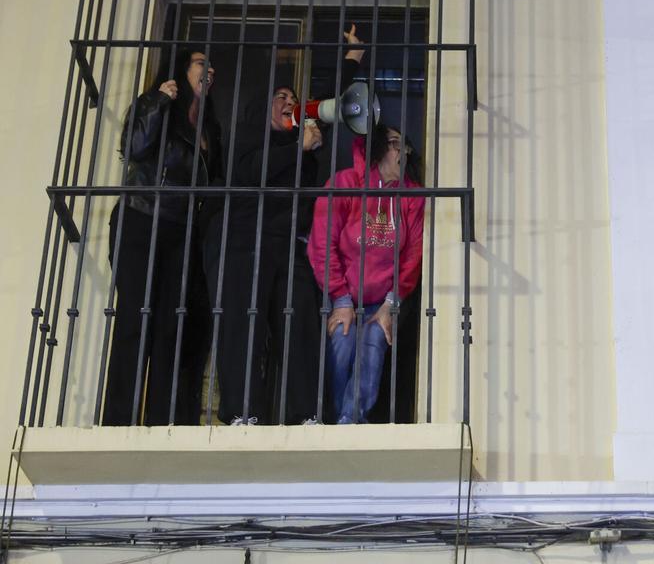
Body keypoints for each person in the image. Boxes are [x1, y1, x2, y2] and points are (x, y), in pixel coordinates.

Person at [204, 26, 364, 426]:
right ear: (263, 107)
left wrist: (352, 60)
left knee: (298, 320)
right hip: (241, 240)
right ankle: (242, 412)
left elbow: (329, 104)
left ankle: (304, 414)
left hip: (287, 243)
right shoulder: (246, 136)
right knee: (243, 322)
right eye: (282, 98)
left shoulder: (302, 138)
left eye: (294, 100)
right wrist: (297, 149)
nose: (291, 104)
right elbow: (250, 172)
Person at [105, 48, 221, 426]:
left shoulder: (207, 126)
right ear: (181, 71)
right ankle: (118, 422)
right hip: (142, 219)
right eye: (202, 63)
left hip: (180, 232)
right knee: (135, 319)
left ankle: (159, 422)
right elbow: (134, 148)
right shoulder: (158, 104)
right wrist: (158, 101)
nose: (210, 70)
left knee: (170, 328)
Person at [308, 123, 425, 425]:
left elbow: (412, 256)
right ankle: (334, 418)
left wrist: (390, 304)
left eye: (406, 146)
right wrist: (341, 299)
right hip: (343, 295)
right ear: (378, 149)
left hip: (383, 300)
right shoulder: (346, 183)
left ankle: (350, 422)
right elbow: (322, 244)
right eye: (396, 144)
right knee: (343, 344)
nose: (404, 153)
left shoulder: (411, 196)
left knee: (374, 341)